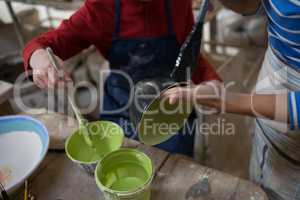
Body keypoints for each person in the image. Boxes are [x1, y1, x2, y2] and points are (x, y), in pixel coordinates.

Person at [23, 0, 220, 157]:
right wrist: (38, 58)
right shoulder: (101, 8)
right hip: (121, 104)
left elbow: (188, 52)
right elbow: (42, 44)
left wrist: (211, 81)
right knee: (118, 162)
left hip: (170, 107)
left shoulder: (178, 4)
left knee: (174, 172)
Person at [163, 0, 300, 199]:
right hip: (275, 69)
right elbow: (259, 6)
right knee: (260, 172)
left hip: (292, 107)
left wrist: (224, 100)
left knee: (280, 187)